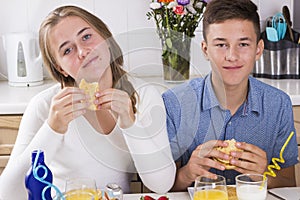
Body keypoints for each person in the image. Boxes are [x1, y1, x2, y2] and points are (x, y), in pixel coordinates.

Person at [0, 5, 175, 199]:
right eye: (67, 50)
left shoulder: (144, 95)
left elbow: (162, 184)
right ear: (61, 68)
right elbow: (8, 194)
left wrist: (130, 123)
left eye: (86, 37)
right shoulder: (45, 106)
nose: (83, 51)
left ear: (106, 39)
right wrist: (52, 129)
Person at [162, 0, 298, 191]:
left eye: (243, 44)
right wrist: (188, 173)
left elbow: (289, 184)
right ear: (205, 49)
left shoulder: (278, 105)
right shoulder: (174, 104)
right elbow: (160, 190)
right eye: (221, 45)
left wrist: (264, 174)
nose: (232, 56)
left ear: (258, 49)